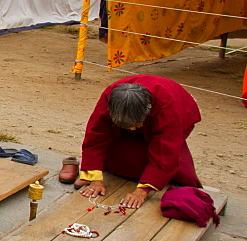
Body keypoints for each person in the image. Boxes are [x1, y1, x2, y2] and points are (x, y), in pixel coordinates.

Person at [72, 75, 204, 210]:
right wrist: (94, 178)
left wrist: (141, 192)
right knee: (124, 158)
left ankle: (152, 180)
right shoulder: (110, 97)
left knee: (166, 155)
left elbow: (165, 149)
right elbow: (96, 134)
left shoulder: (166, 106)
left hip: (176, 110)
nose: (130, 129)